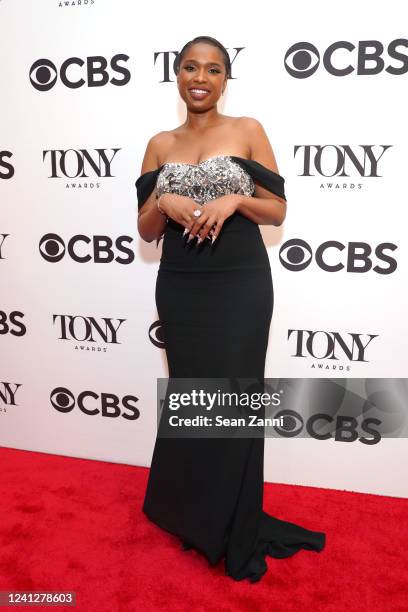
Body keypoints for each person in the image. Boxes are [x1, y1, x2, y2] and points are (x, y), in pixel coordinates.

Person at [135, 35, 325, 583]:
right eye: (191, 67)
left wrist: (236, 198)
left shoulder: (247, 130)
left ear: (224, 79)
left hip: (240, 281)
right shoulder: (158, 143)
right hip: (181, 283)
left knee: (235, 398)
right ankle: (194, 512)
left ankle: (233, 518)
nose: (202, 77)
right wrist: (162, 201)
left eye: (213, 69)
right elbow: (146, 228)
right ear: (176, 75)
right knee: (194, 393)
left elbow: (278, 209)